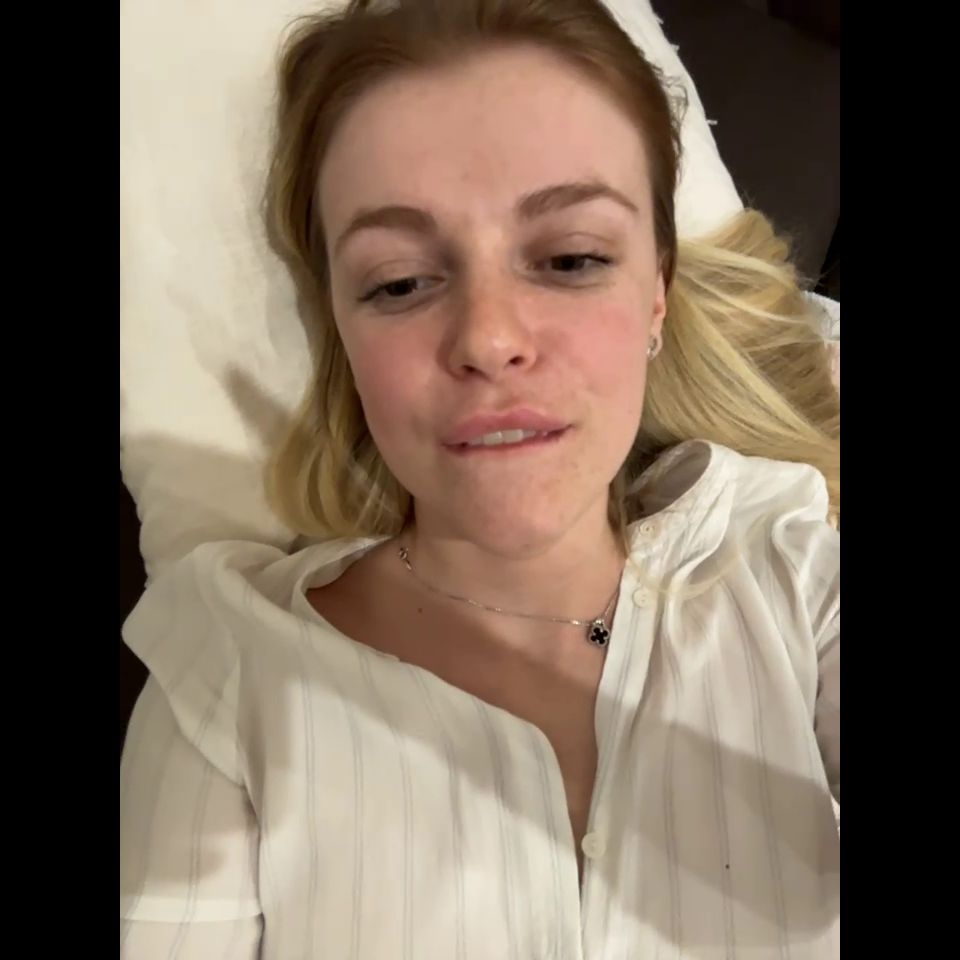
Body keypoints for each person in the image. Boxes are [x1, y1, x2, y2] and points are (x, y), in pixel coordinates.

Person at [119, 0, 840, 956]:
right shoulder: (227, 673)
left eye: (572, 259)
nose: (490, 340)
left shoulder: (793, 571)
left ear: (657, 294)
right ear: (342, 330)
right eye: (400, 282)